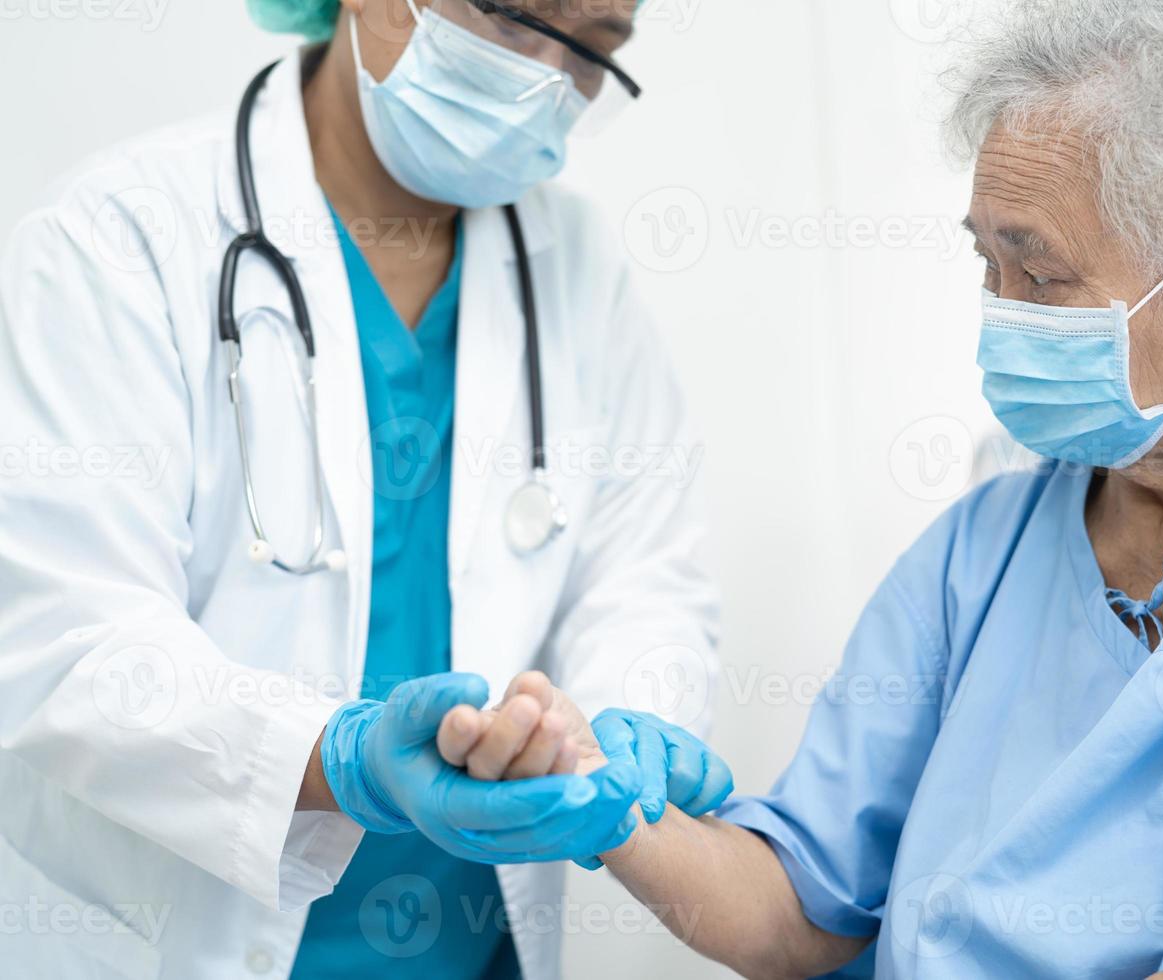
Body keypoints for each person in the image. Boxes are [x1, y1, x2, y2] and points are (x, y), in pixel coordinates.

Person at [493, 0, 1163, 977]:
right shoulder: (988, 546)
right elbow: (796, 900)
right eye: (985, 262)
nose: (1001, 317)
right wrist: (598, 798)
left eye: (1040, 275)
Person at [0, 1, 725, 977]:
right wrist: (337, 757)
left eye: (595, 46)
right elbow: (63, 639)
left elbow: (646, 575)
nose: (548, 76)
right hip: (190, 937)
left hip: (481, 945)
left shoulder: (578, 265)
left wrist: (630, 719)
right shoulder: (117, 237)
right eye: (515, 20)